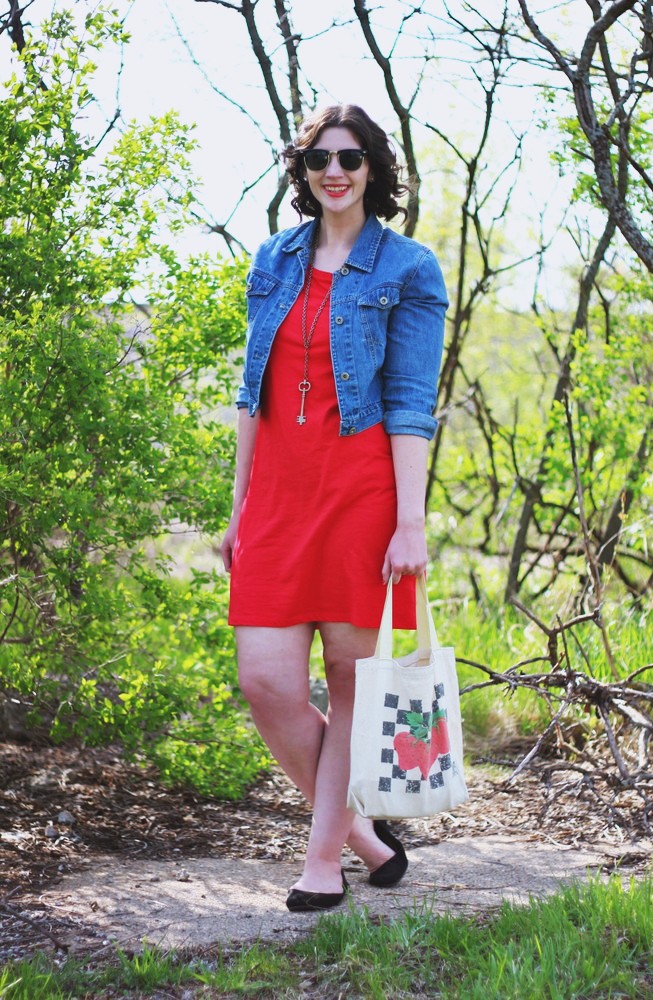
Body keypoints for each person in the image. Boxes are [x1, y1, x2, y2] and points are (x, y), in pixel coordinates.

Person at [220, 104, 448, 912]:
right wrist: (238, 506)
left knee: (349, 679)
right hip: (279, 494)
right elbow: (252, 394)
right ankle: (361, 833)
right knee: (266, 682)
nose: (334, 170)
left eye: (349, 157)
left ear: (374, 168)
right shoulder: (273, 261)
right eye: (319, 158)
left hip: (361, 492)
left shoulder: (409, 269)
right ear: (304, 170)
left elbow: (412, 401)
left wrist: (410, 522)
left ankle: (323, 860)